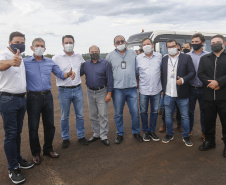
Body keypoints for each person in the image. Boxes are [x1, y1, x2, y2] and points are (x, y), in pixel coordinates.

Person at [24, 38, 75, 164]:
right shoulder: (24, 62)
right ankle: (36, 153)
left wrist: (68, 74)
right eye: (37, 45)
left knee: (50, 125)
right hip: (33, 97)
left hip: (47, 96)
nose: (39, 48)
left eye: (42, 46)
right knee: (33, 126)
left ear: (45, 48)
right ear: (32, 47)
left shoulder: (49, 62)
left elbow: (60, 74)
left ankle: (48, 149)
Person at [0, 31, 34, 184]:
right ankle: (12, 168)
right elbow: (1, 65)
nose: (20, 44)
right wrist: (10, 62)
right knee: (11, 133)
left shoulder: (21, 57)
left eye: (22, 41)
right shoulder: (5, 54)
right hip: (8, 99)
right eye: (17, 41)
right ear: (9, 43)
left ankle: (18, 159)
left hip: (21, 99)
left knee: (17, 132)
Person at [52, 35, 88, 148]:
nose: (68, 45)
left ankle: (81, 136)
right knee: (64, 116)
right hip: (64, 90)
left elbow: (83, 68)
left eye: (70, 42)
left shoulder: (79, 56)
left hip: (77, 89)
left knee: (80, 115)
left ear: (74, 43)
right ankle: (65, 138)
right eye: (66, 42)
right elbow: (54, 71)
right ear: (62, 44)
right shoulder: (56, 58)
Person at [106, 35, 143, 144]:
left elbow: (137, 70)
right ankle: (120, 133)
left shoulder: (133, 53)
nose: (120, 43)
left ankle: (136, 132)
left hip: (131, 88)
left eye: (122, 41)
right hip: (117, 89)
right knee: (118, 113)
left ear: (125, 42)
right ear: (114, 44)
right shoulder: (109, 56)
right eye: (118, 42)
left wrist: (137, 82)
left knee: (135, 112)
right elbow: (108, 74)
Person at [161, 39, 196, 147]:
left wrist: (183, 80)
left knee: (185, 116)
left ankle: (186, 136)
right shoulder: (164, 59)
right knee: (168, 115)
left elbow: (192, 72)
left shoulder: (186, 57)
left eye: (173, 46)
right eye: (169, 47)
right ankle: (169, 134)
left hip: (182, 93)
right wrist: (163, 90)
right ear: (166, 48)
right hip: (168, 93)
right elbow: (162, 75)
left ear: (177, 46)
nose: (171, 48)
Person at [198, 34, 226, 157]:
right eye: (213, 42)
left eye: (218, 42)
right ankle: (210, 142)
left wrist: (219, 82)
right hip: (208, 96)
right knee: (208, 121)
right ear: (210, 45)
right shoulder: (205, 58)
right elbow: (200, 73)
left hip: (223, 96)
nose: (215, 44)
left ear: (224, 43)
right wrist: (211, 84)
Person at [81, 45, 113, 146]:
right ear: (89, 53)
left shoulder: (105, 64)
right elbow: (78, 74)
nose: (94, 53)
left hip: (102, 91)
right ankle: (96, 133)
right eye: (92, 51)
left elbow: (110, 79)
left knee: (103, 115)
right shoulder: (85, 64)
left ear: (99, 52)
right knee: (93, 115)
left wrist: (109, 93)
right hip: (90, 91)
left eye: (96, 51)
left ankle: (103, 135)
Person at [136, 38, 162, 142]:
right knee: (143, 111)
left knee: (154, 112)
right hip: (143, 89)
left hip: (156, 89)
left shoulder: (159, 57)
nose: (146, 46)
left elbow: (162, 71)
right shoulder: (138, 58)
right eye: (144, 44)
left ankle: (152, 130)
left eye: (148, 44)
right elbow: (137, 73)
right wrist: (138, 84)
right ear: (142, 47)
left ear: (152, 45)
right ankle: (146, 131)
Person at [187, 33, 209, 140]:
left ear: (203, 43)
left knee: (204, 112)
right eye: (193, 42)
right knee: (189, 111)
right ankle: (189, 130)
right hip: (191, 88)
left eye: (197, 42)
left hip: (204, 89)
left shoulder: (208, 55)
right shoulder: (187, 56)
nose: (194, 43)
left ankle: (204, 132)